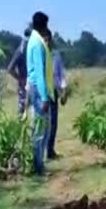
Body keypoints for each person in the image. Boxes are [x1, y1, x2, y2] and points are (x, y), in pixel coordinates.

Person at [26, 11, 54, 176]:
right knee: (40, 130)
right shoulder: (37, 43)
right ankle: (38, 167)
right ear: (43, 25)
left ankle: (39, 163)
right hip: (38, 91)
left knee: (43, 129)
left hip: (39, 90)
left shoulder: (35, 40)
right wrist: (44, 97)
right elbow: (39, 73)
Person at [45, 31, 67, 160]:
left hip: (53, 91)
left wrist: (64, 91)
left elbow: (61, 74)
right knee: (42, 122)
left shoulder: (56, 55)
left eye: (48, 40)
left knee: (53, 122)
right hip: (41, 91)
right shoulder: (38, 55)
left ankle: (50, 151)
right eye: (44, 40)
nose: (46, 43)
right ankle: (39, 153)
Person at [7, 28, 31, 117]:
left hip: (24, 84)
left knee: (22, 111)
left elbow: (10, 69)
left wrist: (19, 78)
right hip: (30, 84)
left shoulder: (20, 50)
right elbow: (10, 68)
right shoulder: (24, 50)